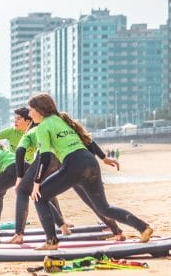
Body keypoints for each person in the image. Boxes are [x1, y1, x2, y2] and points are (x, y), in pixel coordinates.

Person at [27, 93, 152, 250]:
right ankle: (143, 227)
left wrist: (36, 183)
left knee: (39, 197)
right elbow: (88, 140)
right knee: (104, 208)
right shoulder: (63, 120)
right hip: (89, 162)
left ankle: (51, 241)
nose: (29, 114)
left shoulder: (43, 126)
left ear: (39, 110)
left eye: (30, 110)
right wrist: (103, 157)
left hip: (74, 164)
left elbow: (44, 157)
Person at [10, 124, 126, 243]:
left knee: (23, 190)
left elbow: (19, 151)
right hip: (68, 159)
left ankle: (19, 234)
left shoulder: (33, 131)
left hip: (49, 157)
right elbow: (87, 140)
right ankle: (116, 231)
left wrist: (19, 178)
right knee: (90, 198)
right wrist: (103, 157)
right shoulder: (59, 126)